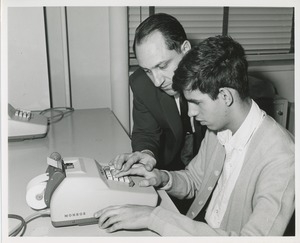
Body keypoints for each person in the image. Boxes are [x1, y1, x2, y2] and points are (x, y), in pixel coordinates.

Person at [94, 36, 295, 236]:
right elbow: (194, 180)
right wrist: (161, 177)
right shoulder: (219, 129)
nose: (190, 113)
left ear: (225, 96)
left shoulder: (283, 158)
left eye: (196, 102)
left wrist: (153, 217)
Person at [111, 13, 206, 173]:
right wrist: (145, 154)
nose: (157, 81)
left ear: (185, 50)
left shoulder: (217, 79)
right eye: (147, 70)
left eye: (162, 66)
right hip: (170, 168)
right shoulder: (141, 84)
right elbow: (146, 132)